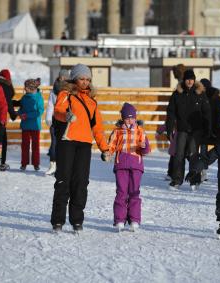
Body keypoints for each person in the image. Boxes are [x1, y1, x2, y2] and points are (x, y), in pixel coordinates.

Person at [50, 64, 109, 233]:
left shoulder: (92, 102)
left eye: (88, 79)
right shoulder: (65, 94)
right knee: (63, 181)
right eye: (82, 78)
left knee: (81, 183)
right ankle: (58, 221)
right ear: (75, 78)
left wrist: (104, 148)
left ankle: (77, 220)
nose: (85, 82)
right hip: (67, 141)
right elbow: (58, 111)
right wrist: (66, 115)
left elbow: (97, 128)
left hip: (84, 144)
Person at [106, 103, 150, 232]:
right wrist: (107, 153)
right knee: (121, 192)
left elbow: (147, 150)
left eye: (132, 118)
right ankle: (120, 219)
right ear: (123, 118)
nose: (130, 120)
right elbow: (111, 145)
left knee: (134, 192)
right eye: (127, 118)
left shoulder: (140, 131)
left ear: (135, 118)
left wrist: (143, 146)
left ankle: (134, 219)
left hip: (136, 165)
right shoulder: (117, 131)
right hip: (121, 165)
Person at [166, 69, 211, 190]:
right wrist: (169, 128)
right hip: (182, 129)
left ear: (194, 80)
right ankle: (177, 180)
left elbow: (206, 112)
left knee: (193, 155)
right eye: (187, 79)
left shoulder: (200, 93)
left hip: (196, 130)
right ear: (184, 80)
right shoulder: (177, 94)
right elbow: (171, 112)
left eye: (191, 79)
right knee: (179, 154)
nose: (189, 81)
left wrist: (208, 129)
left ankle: (194, 180)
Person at [45, 69, 70, 176]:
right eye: (62, 77)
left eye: (65, 77)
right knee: (54, 143)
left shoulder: (71, 90)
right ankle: (52, 165)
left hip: (67, 120)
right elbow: (50, 105)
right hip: (55, 120)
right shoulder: (54, 89)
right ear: (59, 77)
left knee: (65, 144)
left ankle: (62, 166)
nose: (63, 79)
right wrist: (48, 118)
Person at [200, 78, 220, 182]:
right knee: (203, 150)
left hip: (215, 129)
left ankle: (206, 167)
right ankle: (203, 171)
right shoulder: (199, 96)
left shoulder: (216, 98)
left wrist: (218, 128)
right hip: (204, 129)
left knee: (219, 150)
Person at [18, 78, 45, 171]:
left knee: (35, 145)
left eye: (26, 87)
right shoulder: (24, 97)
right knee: (25, 145)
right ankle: (24, 163)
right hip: (25, 125)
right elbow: (21, 108)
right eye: (25, 87)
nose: (25, 89)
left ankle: (36, 163)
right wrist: (20, 113)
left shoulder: (38, 97)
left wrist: (27, 115)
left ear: (31, 88)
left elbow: (40, 111)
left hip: (35, 125)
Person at [0, 69, 17, 171]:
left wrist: (18, 103)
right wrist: (13, 114)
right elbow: (7, 102)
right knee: (1, 140)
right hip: (0, 118)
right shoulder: (5, 86)